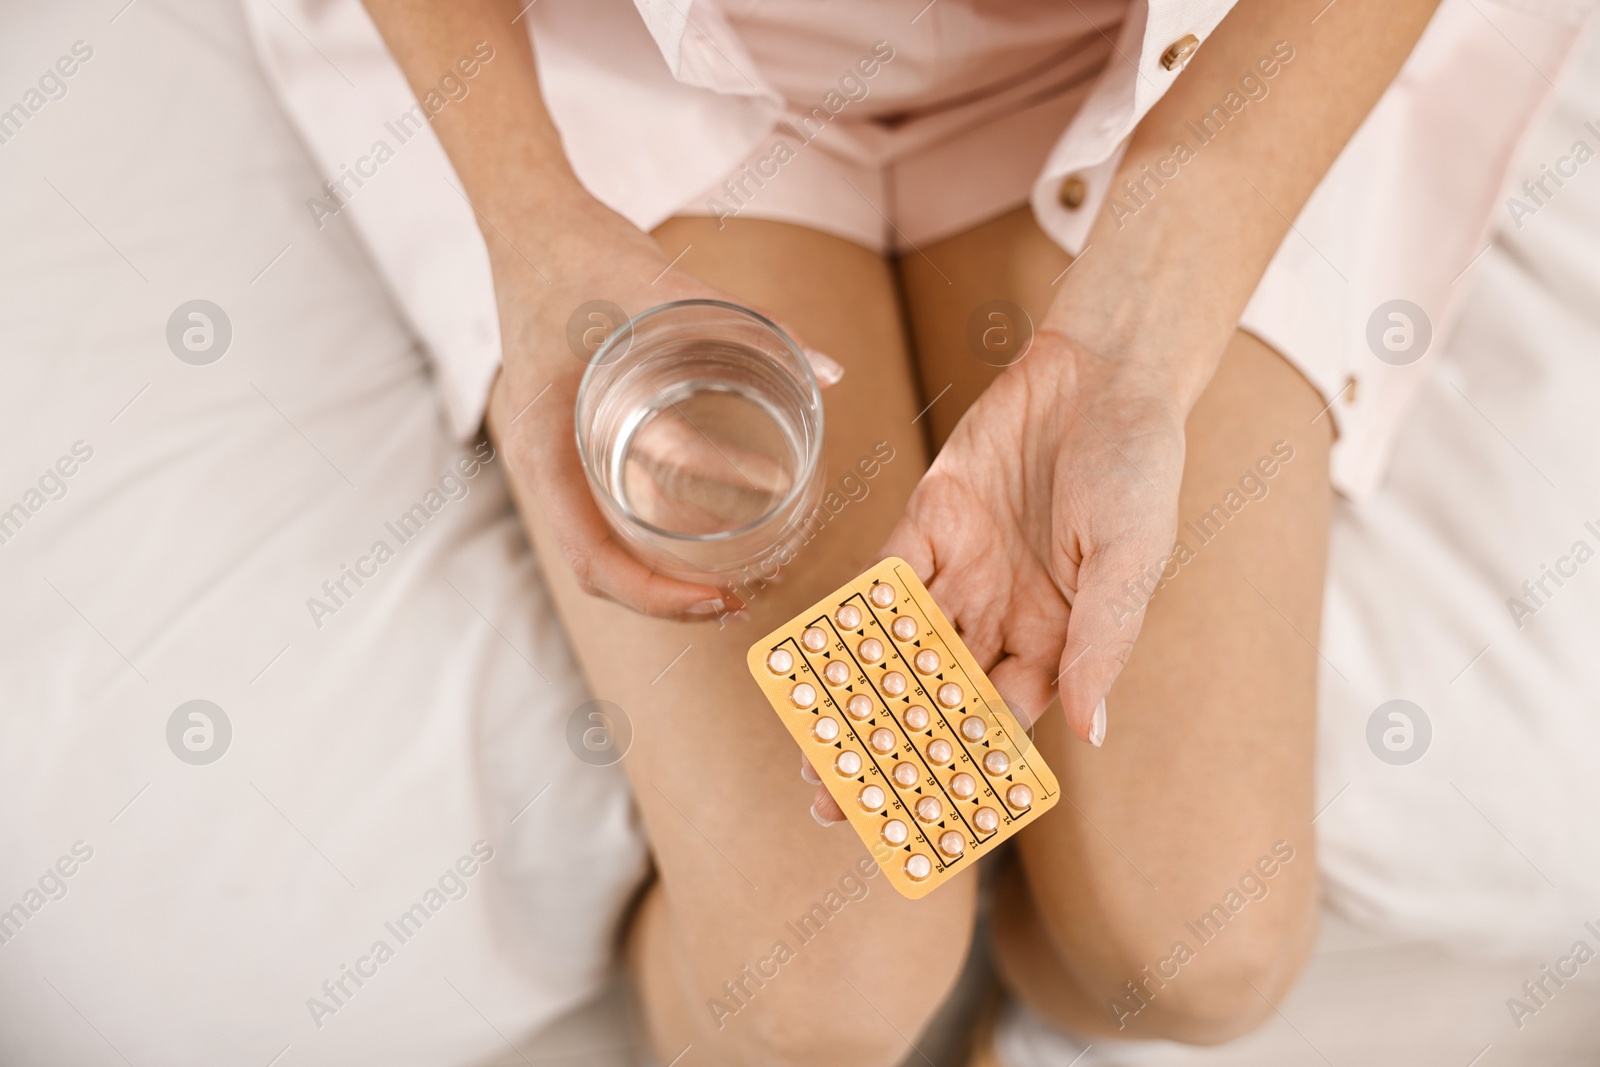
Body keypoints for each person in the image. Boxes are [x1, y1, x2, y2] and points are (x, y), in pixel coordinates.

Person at [346, 0, 1478, 1062]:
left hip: (1143, 69)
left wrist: (1139, 329)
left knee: (1203, 950)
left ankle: (1011, 958)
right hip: (624, 70)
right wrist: (528, 213)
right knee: (823, 995)